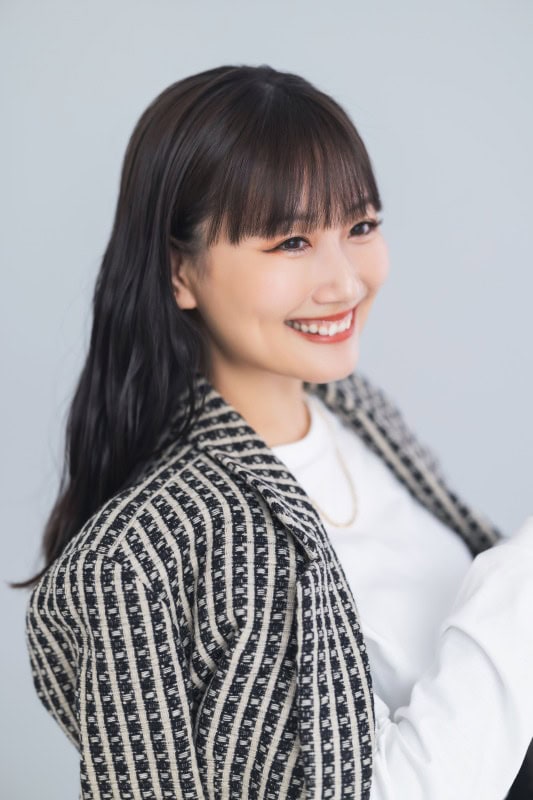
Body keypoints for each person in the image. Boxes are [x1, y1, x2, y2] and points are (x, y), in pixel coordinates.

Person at [13, 64, 533, 799]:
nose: (344, 282)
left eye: (360, 227)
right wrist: (518, 583)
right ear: (179, 272)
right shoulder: (149, 551)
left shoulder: (354, 412)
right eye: (291, 242)